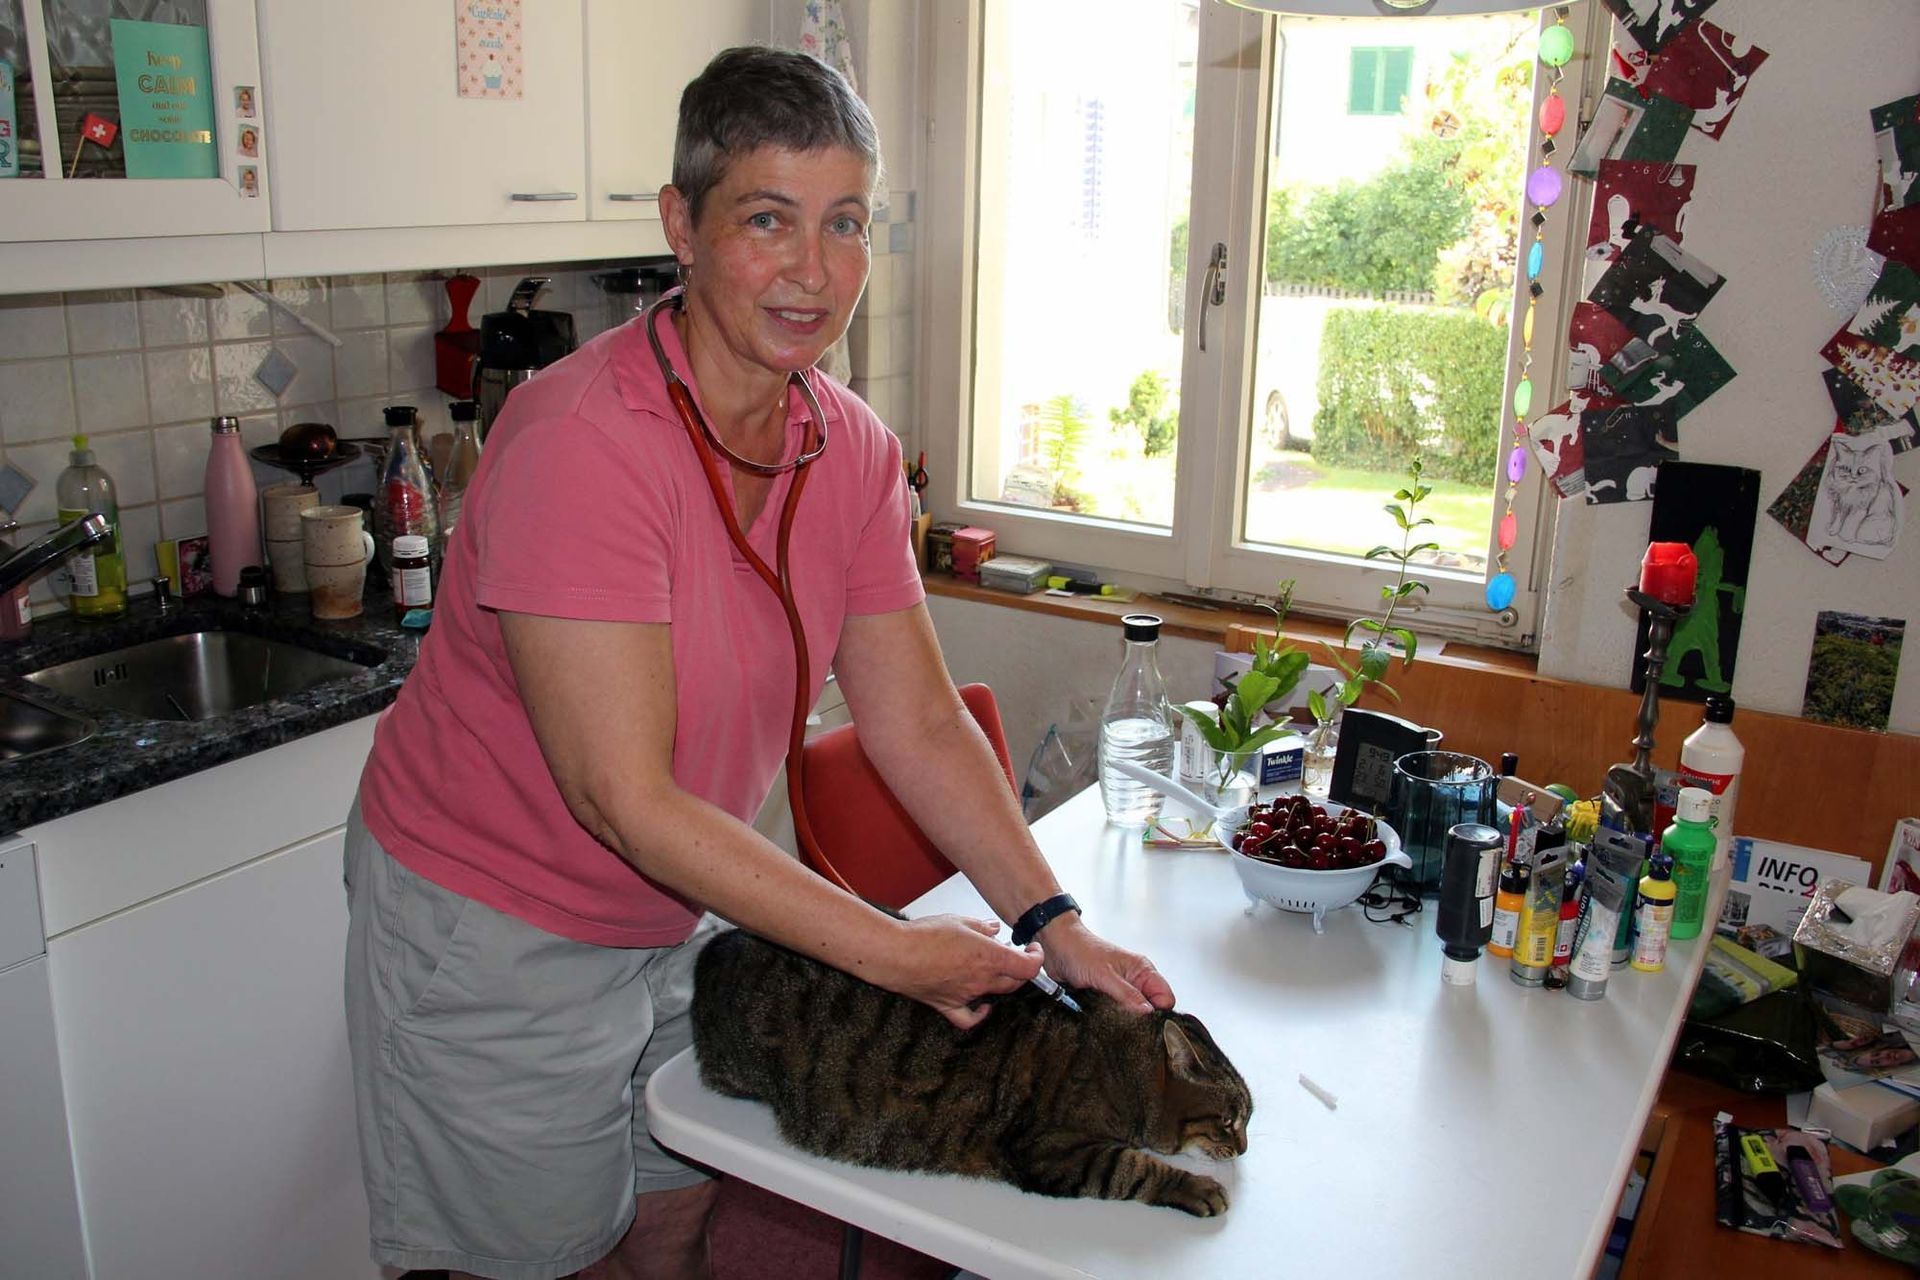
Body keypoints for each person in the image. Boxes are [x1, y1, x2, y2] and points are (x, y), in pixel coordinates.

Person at [342, 46, 1173, 1280]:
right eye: (768, 219)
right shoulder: (580, 441)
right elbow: (619, 794)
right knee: (533, 1260)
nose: (814, 271)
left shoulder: (848, 449)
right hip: (495, 929)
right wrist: (888, 951)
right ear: (681, 224)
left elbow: (920, 721)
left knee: (675, 1215)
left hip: (686, 900)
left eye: (846, 223)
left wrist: (1050, 920)